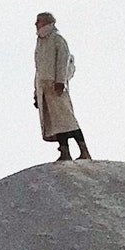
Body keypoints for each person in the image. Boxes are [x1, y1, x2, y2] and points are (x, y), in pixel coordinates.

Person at [34, 12, 90, 161]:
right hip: (44, 87)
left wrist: (60, 81)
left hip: (56, 86)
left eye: (38, 21)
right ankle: (64, 152)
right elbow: (38, 69)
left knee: (67, 118)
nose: (36, 24)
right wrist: (36, 92)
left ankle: (84, 151)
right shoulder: (40, 42)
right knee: (55, 122)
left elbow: (63, 61)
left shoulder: (57, 39)